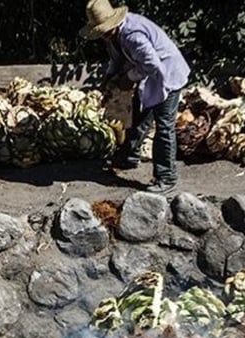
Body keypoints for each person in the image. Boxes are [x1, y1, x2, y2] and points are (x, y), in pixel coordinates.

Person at [81, 0, 191, 195]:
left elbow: (152, 65)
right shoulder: (113, 37)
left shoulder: (133, 36)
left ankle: (167, 176)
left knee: (164, 127)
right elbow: (117, 59)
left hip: (168, 76)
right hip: (150, 78)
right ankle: (129, 157)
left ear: (112, 25)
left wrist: (129, 78)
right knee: (138, 117)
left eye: (103, 32)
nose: (102, 36)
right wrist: (110, 78)